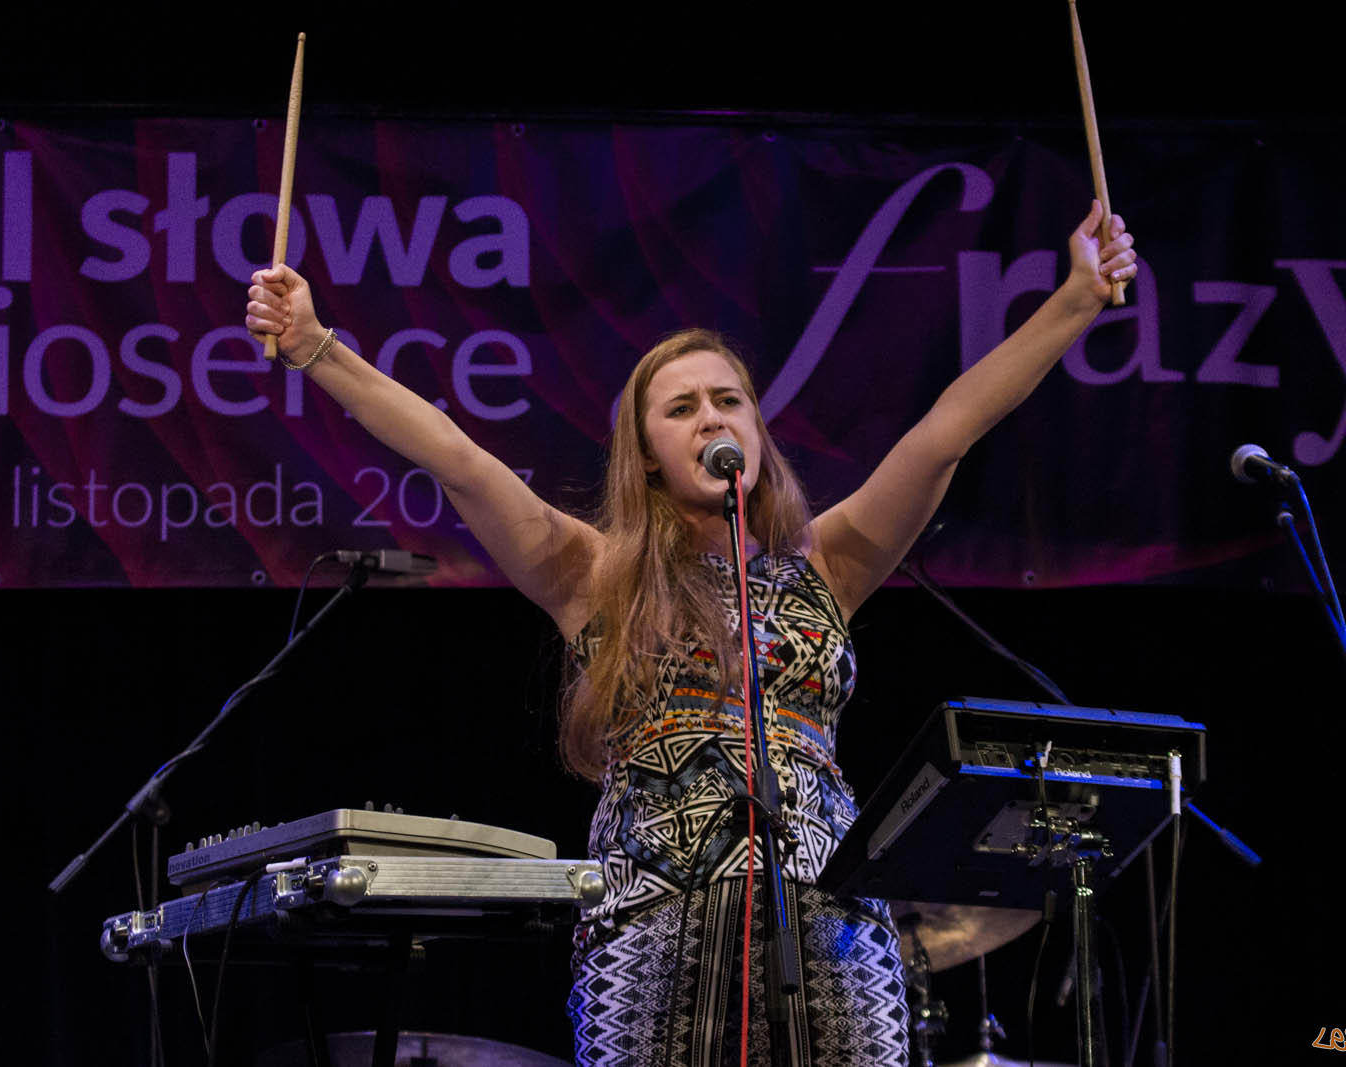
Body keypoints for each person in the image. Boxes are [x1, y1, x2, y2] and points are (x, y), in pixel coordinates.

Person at [246, 200, 1136, 1066]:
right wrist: (319, 348)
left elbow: (946, 432)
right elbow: (457, 459)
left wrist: (1074, 299)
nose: (713, 417)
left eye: (730, 400)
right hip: (655, 924)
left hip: (831, 927)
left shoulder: (829, 566)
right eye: (682, 409)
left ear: (757, 428)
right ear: (646, 455)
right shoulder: (598, 575)